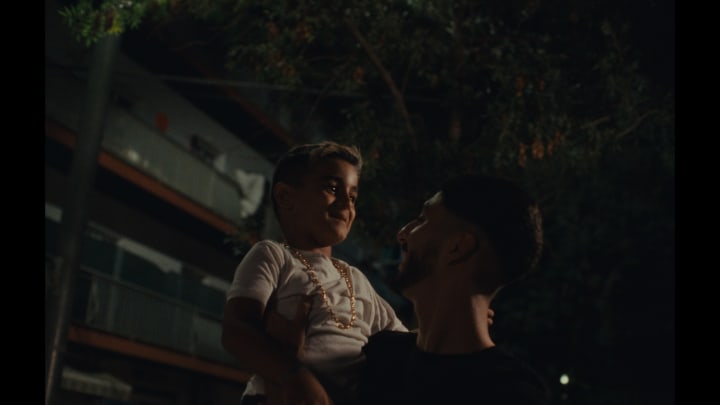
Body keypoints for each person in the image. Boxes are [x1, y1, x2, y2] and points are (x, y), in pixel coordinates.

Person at [221, 141, 408, 405]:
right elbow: (237, 330)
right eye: (332, 188)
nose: (346, 203)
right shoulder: (273, 256)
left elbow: (407, 344)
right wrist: (293, 376)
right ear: (285, 197)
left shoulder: (356, 279)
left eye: (353, 197)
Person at [357, 173, 551, 404]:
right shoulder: (383, 355)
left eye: (422, 220)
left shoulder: (510, 394)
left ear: (459, 247)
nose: (403, 233)